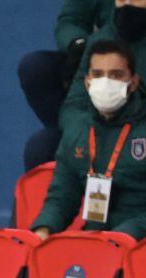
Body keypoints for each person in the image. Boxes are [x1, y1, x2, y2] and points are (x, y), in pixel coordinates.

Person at [34, 39, 146, 240]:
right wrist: (43, 229)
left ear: (133, 82)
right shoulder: (78, 130)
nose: (106, 82)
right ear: (87, 82)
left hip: (138, 243)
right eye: (98, 74)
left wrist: (124, 236)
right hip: (96, 242)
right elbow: (62, 196)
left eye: (116, 75)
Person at [18, 0, 113, 168]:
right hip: (100, 59)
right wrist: (78, 45)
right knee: (42, 147)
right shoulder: (94, 55)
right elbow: (70, 20)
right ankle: (75, 144)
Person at [61, 1, 146, 131]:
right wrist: (87, 132)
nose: (128, 2)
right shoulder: (100, 41)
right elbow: (74, 106)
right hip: (98, 131)